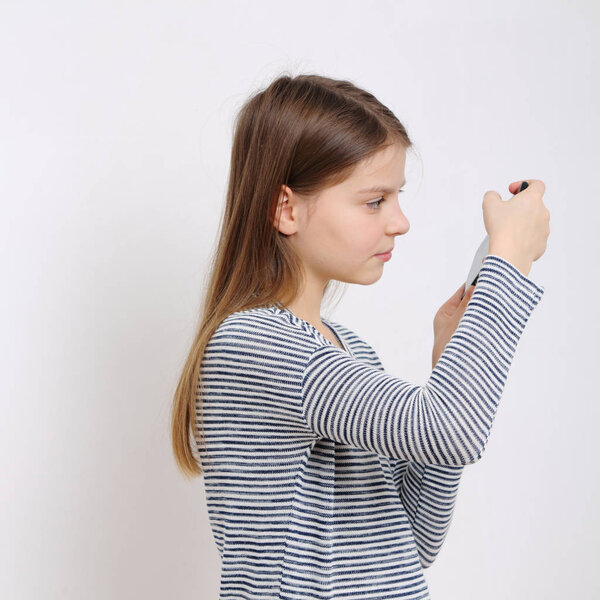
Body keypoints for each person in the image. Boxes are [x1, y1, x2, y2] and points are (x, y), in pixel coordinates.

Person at [171, 73, 550, 599]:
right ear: (287, 209)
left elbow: (413, 543)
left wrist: (448, 364)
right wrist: (508, 262)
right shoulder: (255, 342)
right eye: (375, 201)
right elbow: (453, 430)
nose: (400, 222)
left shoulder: (348, 349)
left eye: (396, 197)